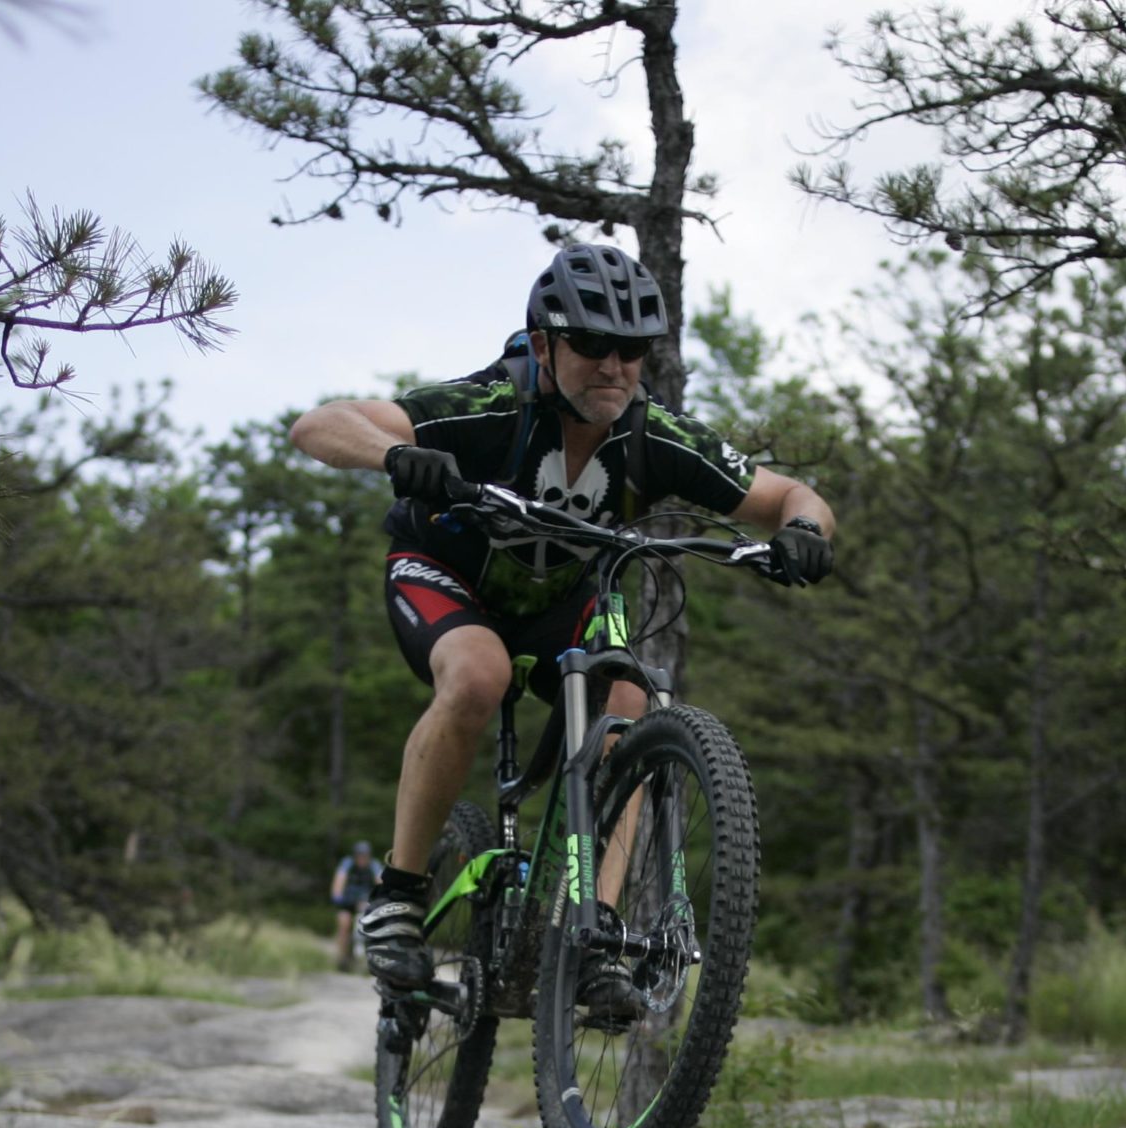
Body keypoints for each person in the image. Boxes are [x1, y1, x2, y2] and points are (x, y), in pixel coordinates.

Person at [288, 242, 835, 1005]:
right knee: (479, 675)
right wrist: (394, 456)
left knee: (629, 708)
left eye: (633, 348)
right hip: (450, 578)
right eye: (591, 344)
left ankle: (594, 934)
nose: (614, 365)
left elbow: (790, 495)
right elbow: (320, 424)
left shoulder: (655, 438)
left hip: (556, 605)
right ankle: (399, 895)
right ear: (544, 344)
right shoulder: (491, 406)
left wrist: (806, 532)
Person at [329, 839, 380, 971]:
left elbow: (380, 881)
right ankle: (341, 958)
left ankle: (373, 960)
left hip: (366, 903)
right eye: (360, 856)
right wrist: (337, 896)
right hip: (348, 902)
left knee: (375, 927)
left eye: (365, 856)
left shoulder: (374, 865)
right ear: (355, 856)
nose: (362, 859)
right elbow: (339, 880)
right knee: (343, 923)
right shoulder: (347, 863)